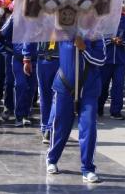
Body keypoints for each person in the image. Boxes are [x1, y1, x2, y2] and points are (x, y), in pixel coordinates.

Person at [46, 37, 106, 184]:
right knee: (60, 124)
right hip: (64, 86)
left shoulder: (97, 34)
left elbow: (102, 60)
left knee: (89, 127)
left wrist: (84, 48)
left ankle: (88, 168)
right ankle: (52, 159)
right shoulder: (63, 31)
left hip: (89, 89)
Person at [24, 41, 59, 144]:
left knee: (58, 95)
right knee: (45, 95)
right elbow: (30, 32)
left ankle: (49, 128)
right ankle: (45, 127)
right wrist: (27, 57)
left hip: (62, 59)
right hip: (44, 59)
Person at [98, 12, 125, 119]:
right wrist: (110, 40)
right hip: (105, 59)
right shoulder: (103, 19)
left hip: (119, 60)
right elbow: (98, 37)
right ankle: (99, 108)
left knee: (118, 86)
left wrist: (121, 41)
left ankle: (116, 111)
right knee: (102, 85)